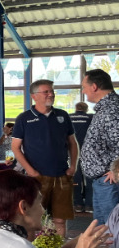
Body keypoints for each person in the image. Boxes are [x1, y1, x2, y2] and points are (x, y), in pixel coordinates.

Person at [12, 79, 78, 237]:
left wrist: (73, 166)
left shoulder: (62, 115)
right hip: (37, 178)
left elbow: (72, 143)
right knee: (34, 220)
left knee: (60, 220)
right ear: (34, 96)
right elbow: (15, 147)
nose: (51, 94)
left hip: (62, 176)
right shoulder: (24, 118)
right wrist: (30, 171)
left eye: (52, 91)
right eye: (46, 91)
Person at [81, 68, 119, 225]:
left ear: (94, 86)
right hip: (102, 180)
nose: (83, 91)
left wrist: (115, 170)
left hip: (109, 181)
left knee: (109, 231)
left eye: (84, 87)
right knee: (102, 229)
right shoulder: (105, 108)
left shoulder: (112, 109)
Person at [70, 102, 93, 214]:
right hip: (88, 153)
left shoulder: (69, 117)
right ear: (86, 109)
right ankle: (89, 205)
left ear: (76, 108)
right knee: (90, 180)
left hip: (73, 153)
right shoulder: (90, 117)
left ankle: (78, 204)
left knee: (76, 179)